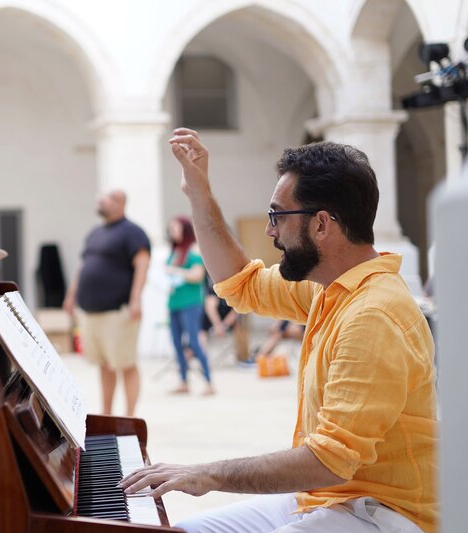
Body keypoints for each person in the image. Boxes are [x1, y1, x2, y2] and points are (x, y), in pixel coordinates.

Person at [120, 128, 437, 532]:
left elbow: (329, 460)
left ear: (321, 224)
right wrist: (199, 191)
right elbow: (240, 282)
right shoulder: (332, 288)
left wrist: (209, 475)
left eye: (277, 216)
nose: (270, 232)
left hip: (383, 513)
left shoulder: (373, 315)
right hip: (330, 498)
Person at [63, 190, 150, 417]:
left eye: (108, 198)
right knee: (103, 364)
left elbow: (142, 265)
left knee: (125, 363)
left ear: (120, 203)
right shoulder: (95, 233)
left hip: (118, 312)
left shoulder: (132, 232)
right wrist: (71, 295)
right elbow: (83, 266)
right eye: (100, 197)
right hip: (91, 311)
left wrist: (136, 299)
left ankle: (130, 416)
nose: (100, 200)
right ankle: (107, 413)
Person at [165, 216, 214, 395]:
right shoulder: (174, 250)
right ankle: (183, 382)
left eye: (175, 228)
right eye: (170, 228)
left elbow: (197, 276)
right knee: (177, 344)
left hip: (191, 303)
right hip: (174, 303)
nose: (172, 232)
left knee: (194, 342)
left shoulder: (193, 250)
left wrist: (175, 271)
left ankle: (209, 382)